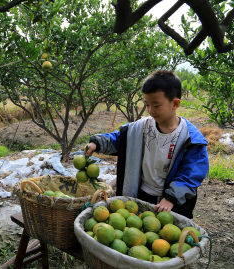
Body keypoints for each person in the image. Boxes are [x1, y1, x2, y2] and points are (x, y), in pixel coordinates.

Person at [84, 70, 208, 219]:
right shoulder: (141, 128)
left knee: (166, 237)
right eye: (147, 104)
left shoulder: (190, 139)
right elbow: (120, 139)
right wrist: (97, 143)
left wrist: (171, 197)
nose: (150, 111)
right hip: (141, 195)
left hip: (172, 204)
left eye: (156, 106)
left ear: (175, 104)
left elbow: (191, 173)